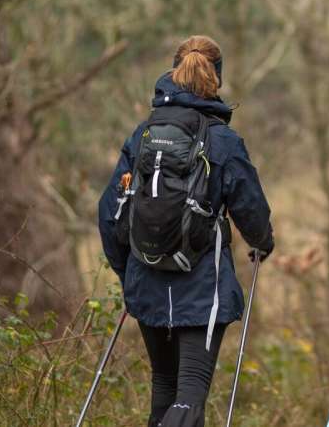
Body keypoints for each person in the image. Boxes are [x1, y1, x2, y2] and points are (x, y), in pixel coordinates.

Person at [97, 35, 274, 427]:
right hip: (202, 288)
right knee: (190, 396)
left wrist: (127, 269)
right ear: (217, 79)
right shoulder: (223, 141)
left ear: (173, 73)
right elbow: (252, 209)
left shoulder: (142, 135)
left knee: (164, 388)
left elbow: (110, 211)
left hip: (146, 277)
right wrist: (263, 243)